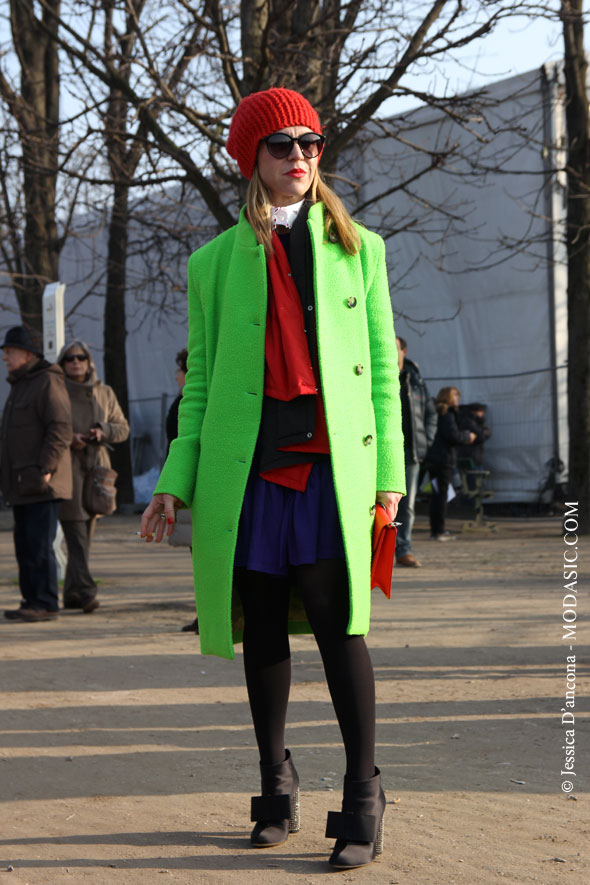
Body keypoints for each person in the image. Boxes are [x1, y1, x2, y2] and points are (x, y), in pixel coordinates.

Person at [140, 87, 405, 871]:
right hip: (248, 471)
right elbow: (200, 384)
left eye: (313, 143)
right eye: (284, 145)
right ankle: (274, 784)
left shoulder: (363, 249)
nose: (301, 157)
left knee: (336, 621)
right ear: (252, 158)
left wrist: (391, 476)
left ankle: (364, 792)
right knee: (260, 623)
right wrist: (174, 479)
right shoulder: (212, 263)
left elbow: (383, 379)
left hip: (332, 469)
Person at [1, 325, 72, 621]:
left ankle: (45, 603)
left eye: (9, 352)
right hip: (22, 484)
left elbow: (60, 428)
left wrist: (46, 468)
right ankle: (31, 600)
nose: (5, 358)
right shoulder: (21, 384)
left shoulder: (46, 382)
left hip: (42, 483)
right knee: (26, 546)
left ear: (27, 354)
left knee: (39, 545)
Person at [57, 341, 129, 613]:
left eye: (81, 357)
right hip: (67, 468)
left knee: (85, 533)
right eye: (69, 359)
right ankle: (87, 592)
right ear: (62, 364)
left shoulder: (105, 392)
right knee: (74, 529)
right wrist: (69, 438)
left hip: (97, 469)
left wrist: (103, 430)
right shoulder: (56, 390)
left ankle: (71, 594)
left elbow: (123, 429)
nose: (76, 363)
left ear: (89, 361)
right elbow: (48, 427)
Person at [394, 336, 437, 567]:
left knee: (406, 505)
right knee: (379, 505)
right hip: (382, 451)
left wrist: (426, 441)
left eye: (394, 348)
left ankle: (403, 549)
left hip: (411, 452)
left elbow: (431, 414)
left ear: (404, 350)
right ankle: (377, 553)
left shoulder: (416, 380)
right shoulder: (376, 374)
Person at [165, 347, 198, 634]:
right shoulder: (182, 402)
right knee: (196, 554)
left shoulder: (188, 404)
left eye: (179, 370)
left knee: (202, 553)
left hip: (193, 488)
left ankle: (213, 614)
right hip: (185, 485)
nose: (176, 376)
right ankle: (206, 613)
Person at [424, 387, 476, 540]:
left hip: (433, 459)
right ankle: (439, 530)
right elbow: (452, 435)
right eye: (455, 395)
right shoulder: (447, 414)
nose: (458, 399)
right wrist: (467, 436)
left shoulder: (435, 411)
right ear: (448, 397)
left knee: (436, 494)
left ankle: (436, 529)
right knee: (442, 494)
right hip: (443, 460)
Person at [457, 402, 491, 467]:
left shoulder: (466, 419)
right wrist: (487, 431)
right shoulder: (469, 421)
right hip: (471, 455)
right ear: (475, 411)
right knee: (474, 475)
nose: (482, 414)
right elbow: (480, 435)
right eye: (481, 412)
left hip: (469, 454)